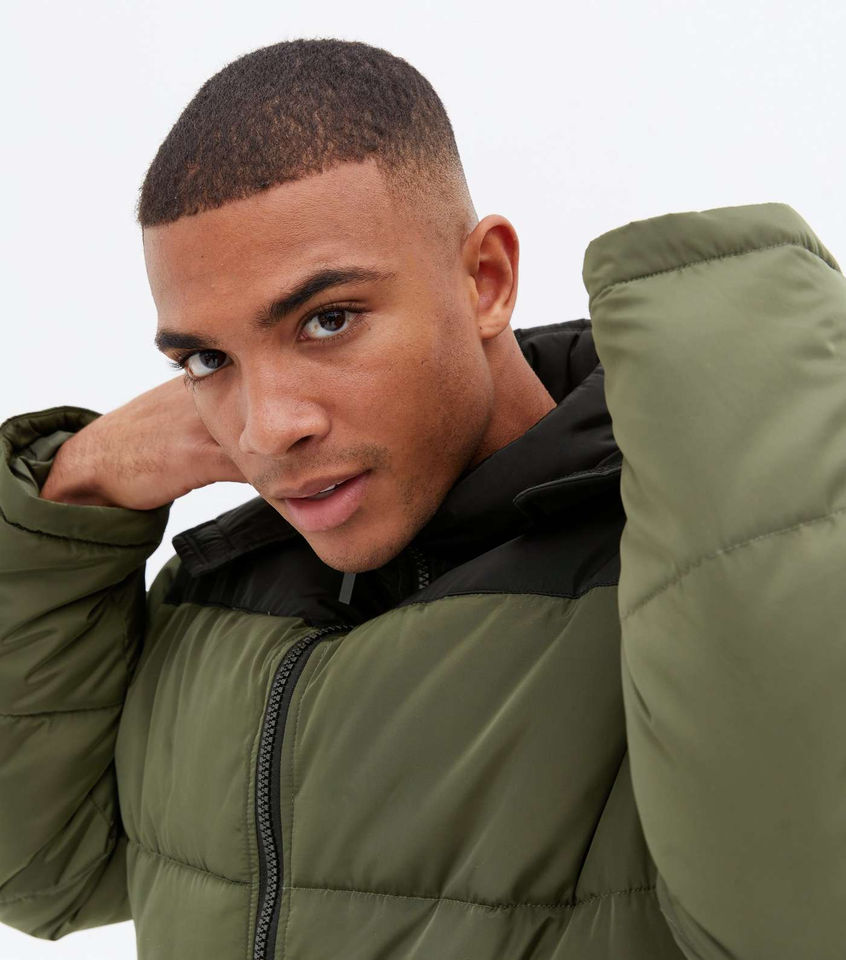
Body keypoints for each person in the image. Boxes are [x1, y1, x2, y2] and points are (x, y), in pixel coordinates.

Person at [0, 37, 843, 960]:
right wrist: (73, 489)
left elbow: (797, 918)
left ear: (487, 281)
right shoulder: (215, 596)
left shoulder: (676, 561)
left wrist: (737, 367)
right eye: (208, 359)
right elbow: (44, 873)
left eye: (328, 320)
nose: (267, 428)